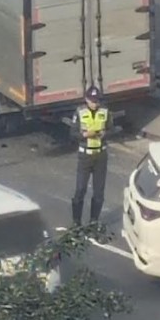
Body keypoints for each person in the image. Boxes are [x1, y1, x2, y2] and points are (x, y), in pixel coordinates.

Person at [71, 86, 111, 226]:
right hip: (85, 156)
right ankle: (76, 222)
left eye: (98, 101)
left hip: (101, 155)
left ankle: (94, 220)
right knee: (80, 189)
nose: (96, 103)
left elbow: (111, 128)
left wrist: (105, 133)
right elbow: (73, 133)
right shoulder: (80, 112)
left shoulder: (105, 112)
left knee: (99, 191)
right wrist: (84, 135)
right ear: (86, 99)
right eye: (93, 101)